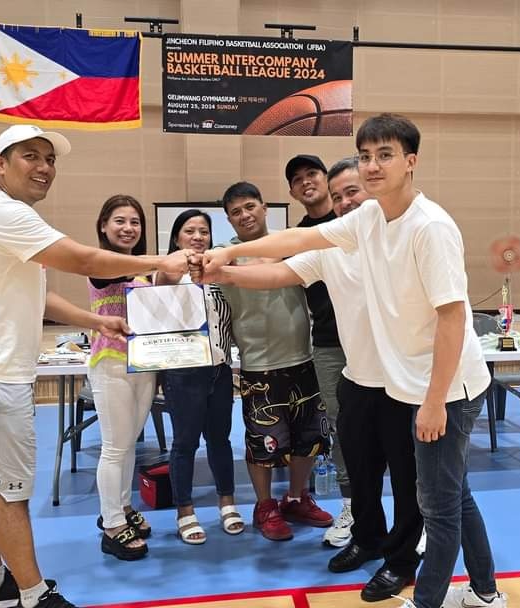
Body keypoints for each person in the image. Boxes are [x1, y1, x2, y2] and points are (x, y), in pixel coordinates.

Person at [203, 114, 506, 608]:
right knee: (454, 494)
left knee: (437, 505)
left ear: (411, 161)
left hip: (447, 387)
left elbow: (453, 318)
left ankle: (426, 601)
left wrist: (434, 402)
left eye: (385, 155)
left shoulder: (430, 227)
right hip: (408, 382)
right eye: (366, 156)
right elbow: (296, 243)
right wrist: (227, 259)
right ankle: (486, 593)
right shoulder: (368, 221)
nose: (372, 166)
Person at [0, 124, 193, 608]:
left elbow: (40, 296)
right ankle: (34, 595)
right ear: (0, 164)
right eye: (30, 156)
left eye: (50, 159)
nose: (44, 167)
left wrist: (96, 321)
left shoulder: (6, 218)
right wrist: (162, 261)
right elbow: (83, 260)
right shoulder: (3, 213)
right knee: (9, 490)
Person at [206, 158, 423, 602]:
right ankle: (367, 537)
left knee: (402, 466)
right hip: (352, 370)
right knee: (358, 458)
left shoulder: (403, 233)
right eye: (339, 197)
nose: (345, 202)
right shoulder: (328, 244)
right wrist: (223, 268)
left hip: (398, 369)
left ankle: (401, 558)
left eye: (351, 192)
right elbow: (281, 268)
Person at [217, 181, 334, 542]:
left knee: (308, 437)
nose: (245, 215)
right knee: (263, 442)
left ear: (265, 207)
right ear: (228, 220)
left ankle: (296, 498)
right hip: (258, 365)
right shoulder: (224, 254)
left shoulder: (289, 243)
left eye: (250, 206)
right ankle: (265, 505)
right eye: (236, 212)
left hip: (304, 357)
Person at [155, 209, 244, 545]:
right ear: (176, 237)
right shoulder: (166, 273)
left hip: (220, 368)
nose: (197, 237)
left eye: (203, 231)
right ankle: (185, 510)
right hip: (183, 372)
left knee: (220, 440)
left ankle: (227, 503)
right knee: (185, 443)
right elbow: (159, 301)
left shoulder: (217, 274)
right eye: (189, 231)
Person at [285, 153, 354, 547]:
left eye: (312, 173)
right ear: (292, 192)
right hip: (329, 345)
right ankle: (352, 506)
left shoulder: (356, 221)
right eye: (297, 179)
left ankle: (414, 514)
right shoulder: (298, 238)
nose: (306, 182)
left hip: (375, 341)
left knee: (396, 427)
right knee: (342, 428)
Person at [86, 195, 159, 561]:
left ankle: (124, 506)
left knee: (128, 445)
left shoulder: (145, 273)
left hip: (144, 365)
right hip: (111, 364)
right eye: (120, 221)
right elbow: (114, 270)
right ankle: (112, 525)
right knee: (114, 447)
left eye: (135, 222)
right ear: (103, 225)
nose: (128, 228)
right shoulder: (100, 262)